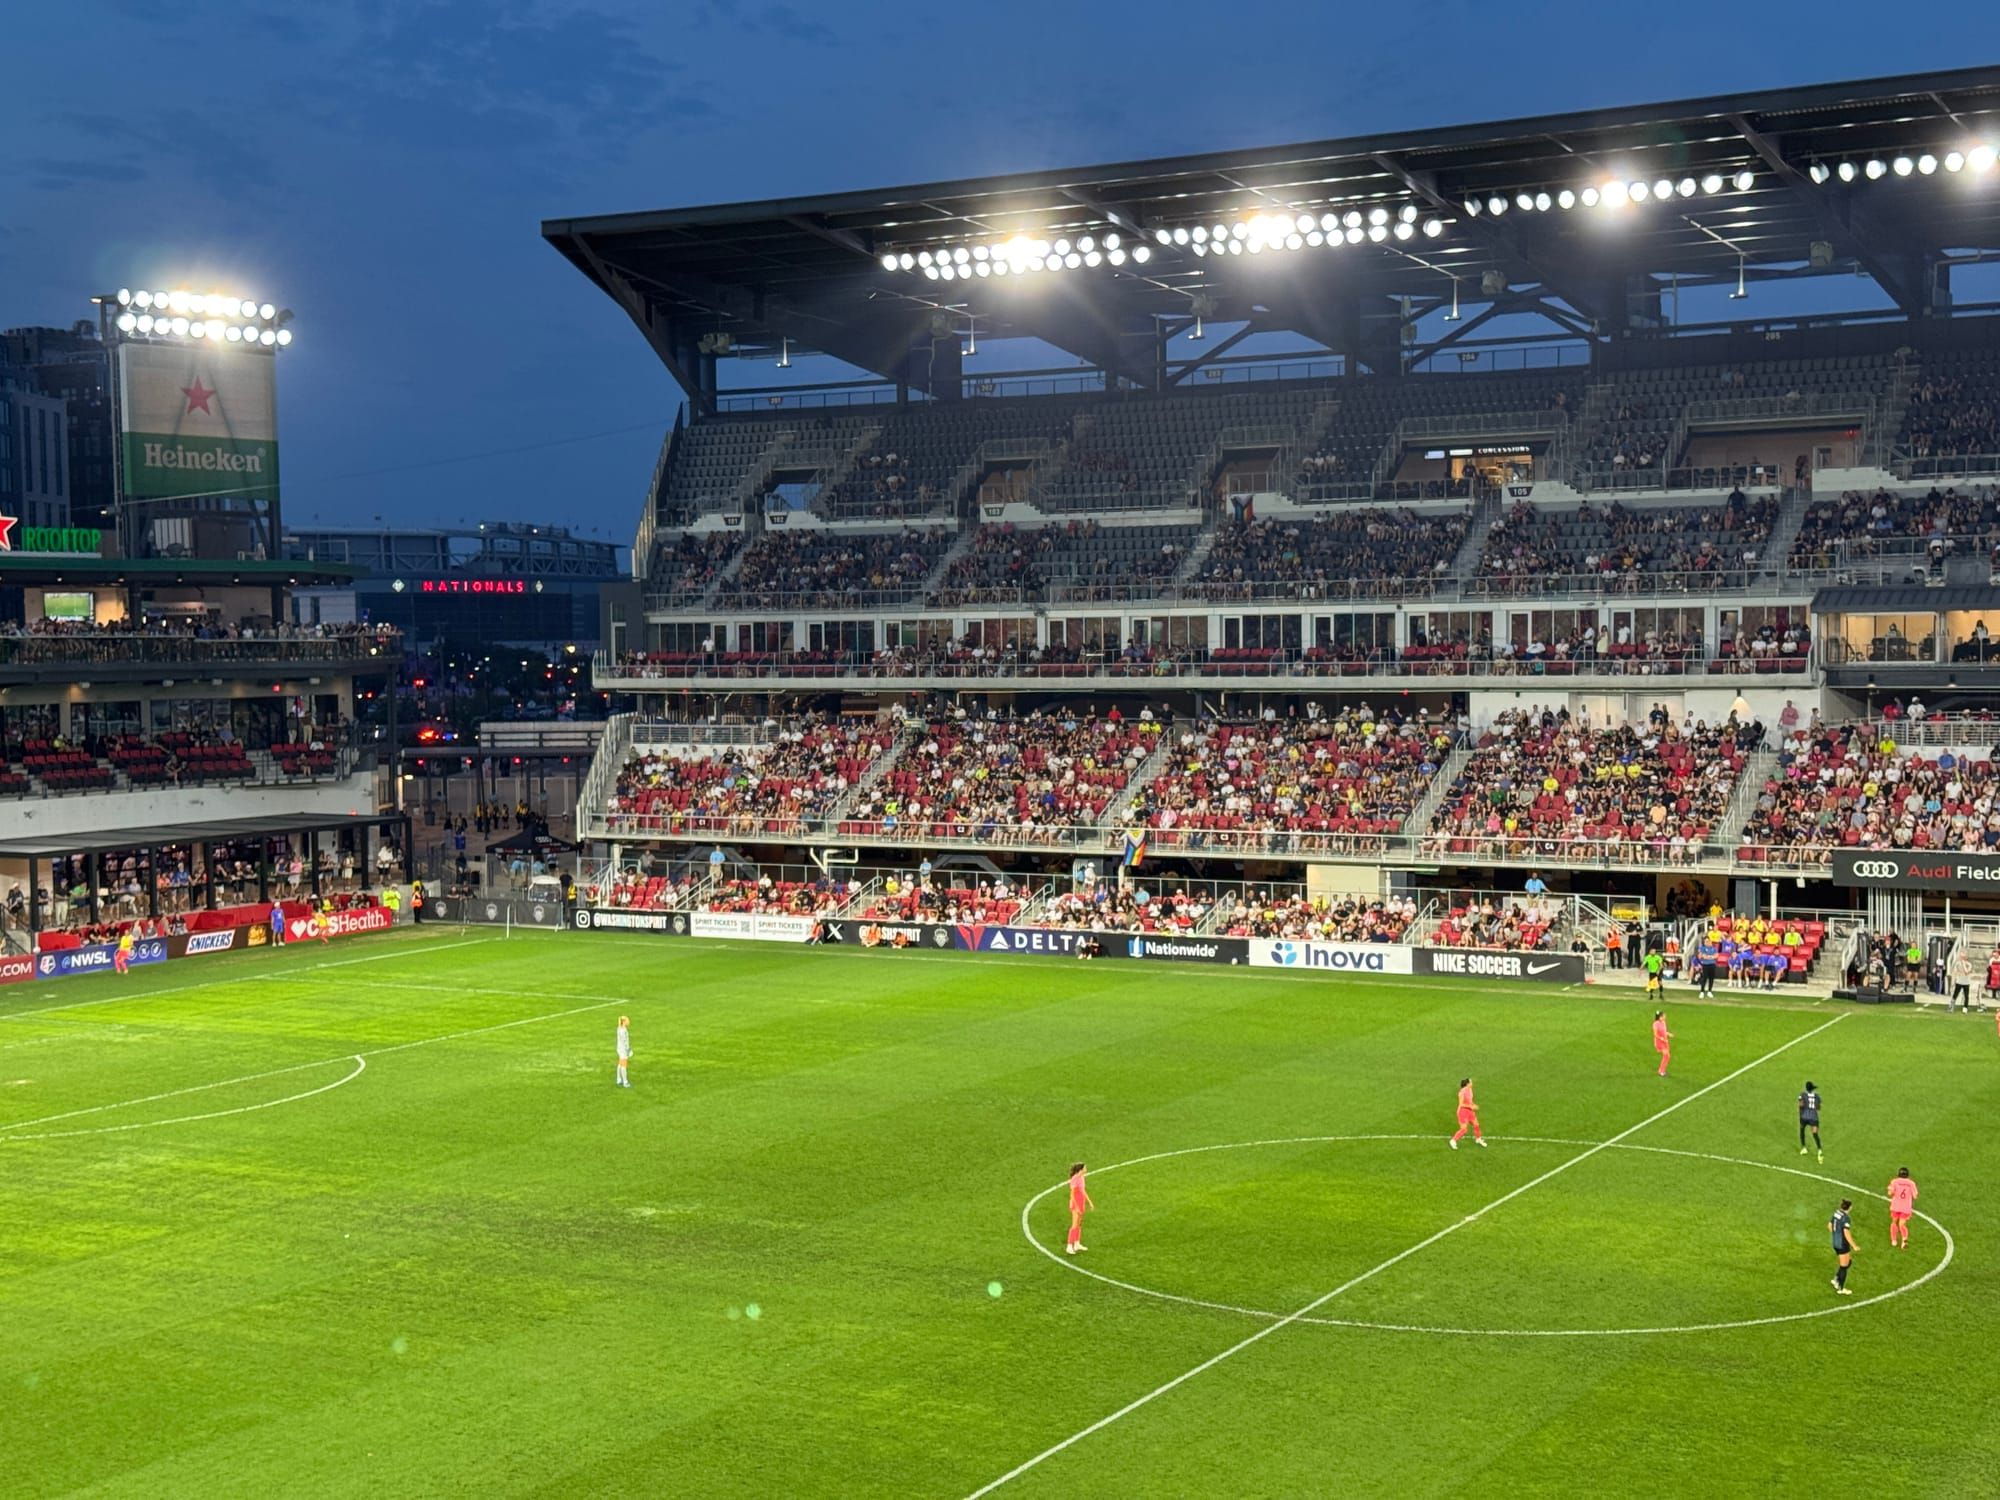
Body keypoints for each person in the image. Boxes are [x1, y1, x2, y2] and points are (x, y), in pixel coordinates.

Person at [1830, 1198, 1858, 1295]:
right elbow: (1846, 1233)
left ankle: (1836, 1279)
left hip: (1835, 1242)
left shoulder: (1836, 1213)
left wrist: (1836, 1234)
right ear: (1849, 1208)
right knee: (1844, 1266)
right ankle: (1841, 1288)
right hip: (1842, 1244)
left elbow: (1829, 1226)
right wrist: (1854, 1246)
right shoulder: (1846, 1218)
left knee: (1848, 1262)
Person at [1886, 1168, 1919, 1250]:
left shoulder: (1894, 1181)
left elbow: (1890, 1193)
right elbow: (1915, 1196)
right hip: (1906, 1207)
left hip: (1896, 1206)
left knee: (1894, 1222)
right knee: (1902, 1224)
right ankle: (1904, 1240)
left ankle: (1894, 1240)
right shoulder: (1911, 1183)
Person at [1450, 1077, 1486, 1149]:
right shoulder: (1462, 1092)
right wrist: (1471, 1106)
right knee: (1464, 1129)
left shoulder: (1470, 1090)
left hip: (1470, 1111)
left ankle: (1478, 1139)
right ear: (1467, 1084)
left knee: (1476, 1125)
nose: (1472, 1083)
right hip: (1462, 1112)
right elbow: (1461, 1104)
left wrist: (1473, 1104)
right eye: (1471, 1082)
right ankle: (1453, 1141)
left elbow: (1470, 1100)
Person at [1065, 1161, 1093, 1254]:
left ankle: (1077, 1244)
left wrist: (1089, 1202)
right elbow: (1072, 1194)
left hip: (1081, 1202)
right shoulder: (1074, 1179)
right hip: (1075, 1203)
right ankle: (1069, 1246)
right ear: (1080, 1170)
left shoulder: (1082, 1177)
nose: (1086, 1169)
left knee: (1079, 1223)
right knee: (1074, 1224)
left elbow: (1083, 1190)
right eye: (1085, 1168)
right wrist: (1076, 1207)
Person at [1798, 1081, 1823, 1160]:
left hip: (1804, 1116)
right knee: (1815, 1133)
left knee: (1802, 1130)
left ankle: (1804, 1148)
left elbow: (1801, 1104)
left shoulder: (1803, 1095)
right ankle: (1819, 1150)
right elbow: (1818, 1108)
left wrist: (1801, 1110)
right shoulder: (1817, 1096)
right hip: (1813, 1117)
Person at [1949, 946, 1975, 1012]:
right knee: (1955, 994)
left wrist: (1963, 964)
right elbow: (1954, 972)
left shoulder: (1969, 964)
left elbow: (1967, 972)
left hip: (1966, 982)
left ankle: (1965, 1008)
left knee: (1966, 996)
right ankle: (1951, 1007)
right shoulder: (1957, 963)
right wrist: (1953, 982)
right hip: (1959, 981)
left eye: (1963, 954)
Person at [1694, 931, 1718, 998]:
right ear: (1704, 942)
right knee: (1704, 978)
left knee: (1711, 978)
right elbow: (1701, 956)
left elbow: (1716, 955)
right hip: (1705, 965)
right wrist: (1709, 956)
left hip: (1712, 964)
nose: (1707, 942)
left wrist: (1708, 956)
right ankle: (1702, 991)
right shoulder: (1702, 948)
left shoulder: (1714, 948)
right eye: (1706, 941)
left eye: (1708, 941)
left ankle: (1709, 991)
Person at [1652, 1010, 1673, 1077]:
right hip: (1659, 1043)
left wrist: (1668, 1034)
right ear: (1660, 1017)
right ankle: (1661, 1071)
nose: (1665, 1017)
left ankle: (1662, 1070)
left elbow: (1664, 1031)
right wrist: (1661, 1038)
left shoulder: (1663, 1022)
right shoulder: (1655, 1024)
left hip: (1665, 1042)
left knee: (1667, 1056)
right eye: (1664, 1016)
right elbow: (1655, 1034)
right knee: (1666, 1055)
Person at [615, 1015, 632, 1088]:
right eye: (627, 1020)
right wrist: (628, 1050)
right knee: (624, 1065)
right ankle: (625, 1082)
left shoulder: (620, 1028)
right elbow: (624, 1041)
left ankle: (618, 1079)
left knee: (620, 1064)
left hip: (619, 1048)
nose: (629, 1021)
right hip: (623, 1050)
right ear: (624, 1022)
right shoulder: (623, 1030)